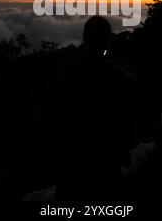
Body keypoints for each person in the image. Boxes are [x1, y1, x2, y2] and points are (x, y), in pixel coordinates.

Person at [55, 16, 132, 201]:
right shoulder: (114, 77)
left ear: (84, 37)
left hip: (70, 164)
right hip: (104, 164)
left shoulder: (65, 72)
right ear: (106, 42)